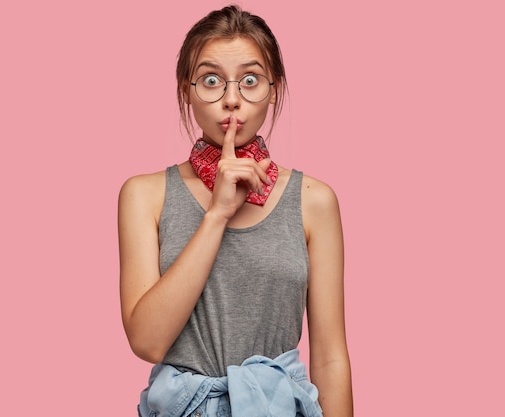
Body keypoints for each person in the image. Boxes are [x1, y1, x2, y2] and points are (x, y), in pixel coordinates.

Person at [118, 5, 353, 416]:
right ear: (186, 91)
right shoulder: (145, 195)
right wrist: (216, 214)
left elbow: (331, 358)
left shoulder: (313, 201)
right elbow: (148, 341)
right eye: (211, 80)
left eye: (250, 80)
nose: (231, 100)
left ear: (273, 89)